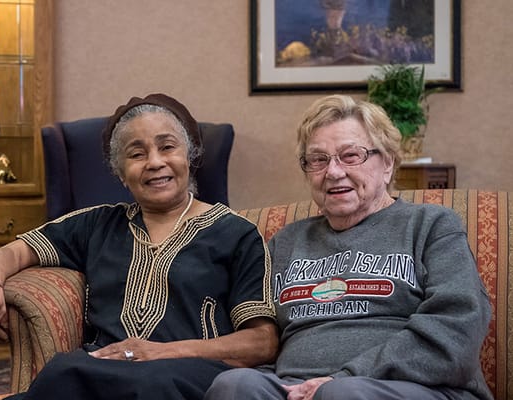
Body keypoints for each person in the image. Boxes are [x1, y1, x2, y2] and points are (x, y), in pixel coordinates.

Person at [0, 93, 279, 399]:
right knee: (62, 371)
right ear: (120, 172)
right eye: (137, 154)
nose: (154, 162)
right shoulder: (98, 224)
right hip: (103, 370)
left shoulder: (236, 233)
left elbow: (262, 342)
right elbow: (11, 252)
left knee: (152, 385)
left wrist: (159, 353)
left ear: (190, 155)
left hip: (188, 374)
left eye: (167, 147)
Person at [205, 94, 492, 400]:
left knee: (342, 395)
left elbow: (456, 328)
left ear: (388, 163)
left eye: (351, 155)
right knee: (233, 386)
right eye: (318, 159)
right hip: (295, 387)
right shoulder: (285, 241)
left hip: (410, 387)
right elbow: (257, 336)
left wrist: (344, 377)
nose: (333, 171)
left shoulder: (431, 226)